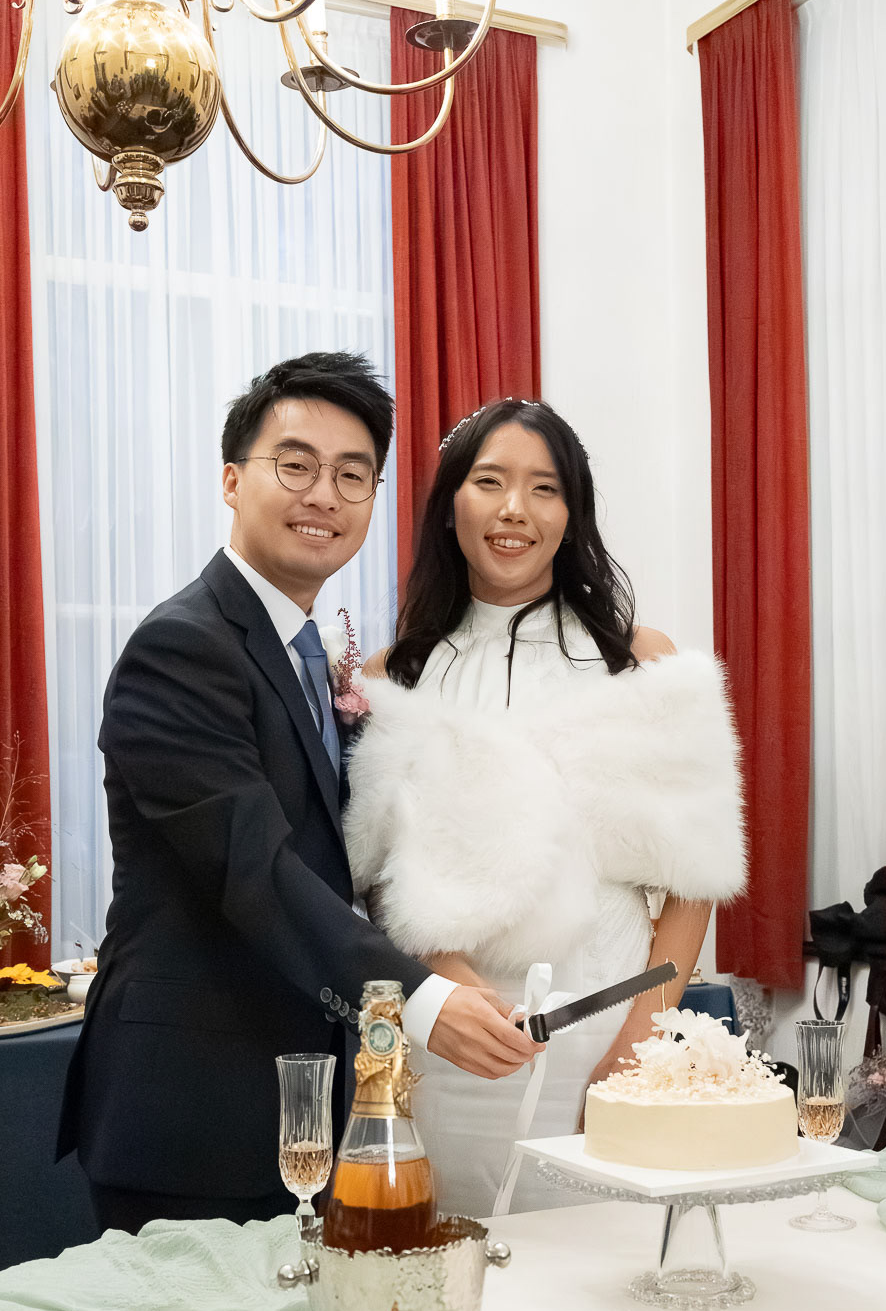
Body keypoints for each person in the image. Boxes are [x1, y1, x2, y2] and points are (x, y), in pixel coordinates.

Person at [58, 353, 538, 1234]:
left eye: (353, 475)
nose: (324, 493)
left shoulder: (310, 653)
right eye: (296, 465)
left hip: (302, 1104)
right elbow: (256, 868)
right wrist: (422, 1001)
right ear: (234, 481)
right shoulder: (184, 648)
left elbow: (346, 856)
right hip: (196, 1108)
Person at [345, 397, 746, 1215]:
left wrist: (643, 1039)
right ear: (451, 502)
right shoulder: (392, 676)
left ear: (573, 512)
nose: (514, 510)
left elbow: (695, 875)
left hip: (614, 1034)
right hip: (457, 1050)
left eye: (545, 488)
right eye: (489, 481)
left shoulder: (642, 660)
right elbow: (378, 875)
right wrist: (452, 996)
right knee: (464, 1278)